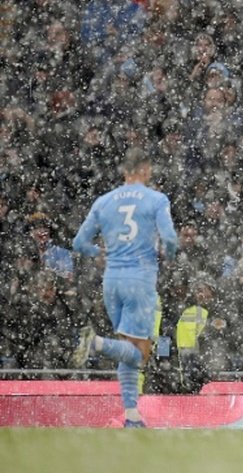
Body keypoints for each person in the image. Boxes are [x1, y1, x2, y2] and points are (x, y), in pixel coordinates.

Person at [71, 147, 178, 428]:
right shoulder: (156, 199)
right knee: (140, 352)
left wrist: (100, 253)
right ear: (145, 170)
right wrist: (169, 256)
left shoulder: (104, 201)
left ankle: (132, 416)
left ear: (124, 172)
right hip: (139, 279)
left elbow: (78, 243)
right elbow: (169, 238)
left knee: (127, 350)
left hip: (112, 281)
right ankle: (94, 343)